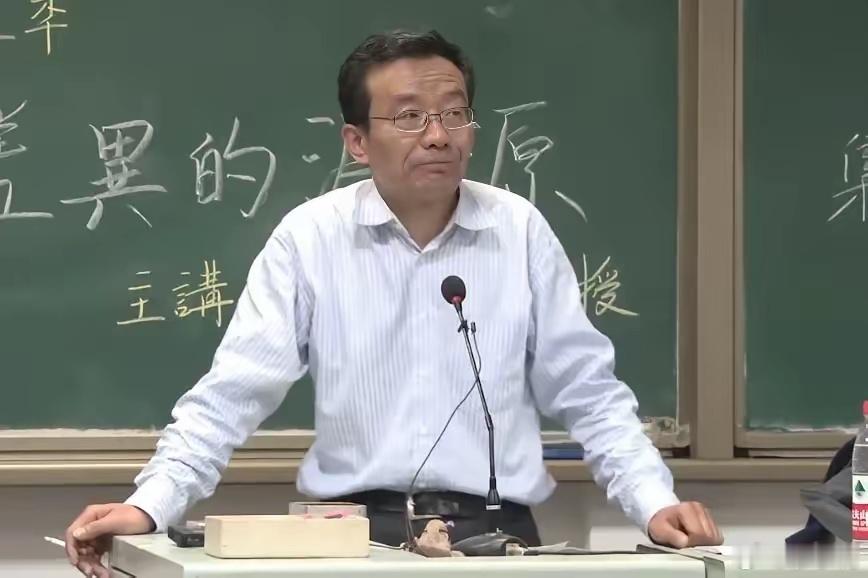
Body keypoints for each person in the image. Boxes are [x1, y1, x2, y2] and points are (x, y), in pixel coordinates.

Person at [65, 29, 722, 577]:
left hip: (499, 539)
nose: (437, 136)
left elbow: (589, 392)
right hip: (350, 539)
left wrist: (654, 503)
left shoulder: (519, 230)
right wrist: (150, 505)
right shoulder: (311, 237)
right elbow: (230, 395)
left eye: (454, 114)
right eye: (409, 117)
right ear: (357, 142)